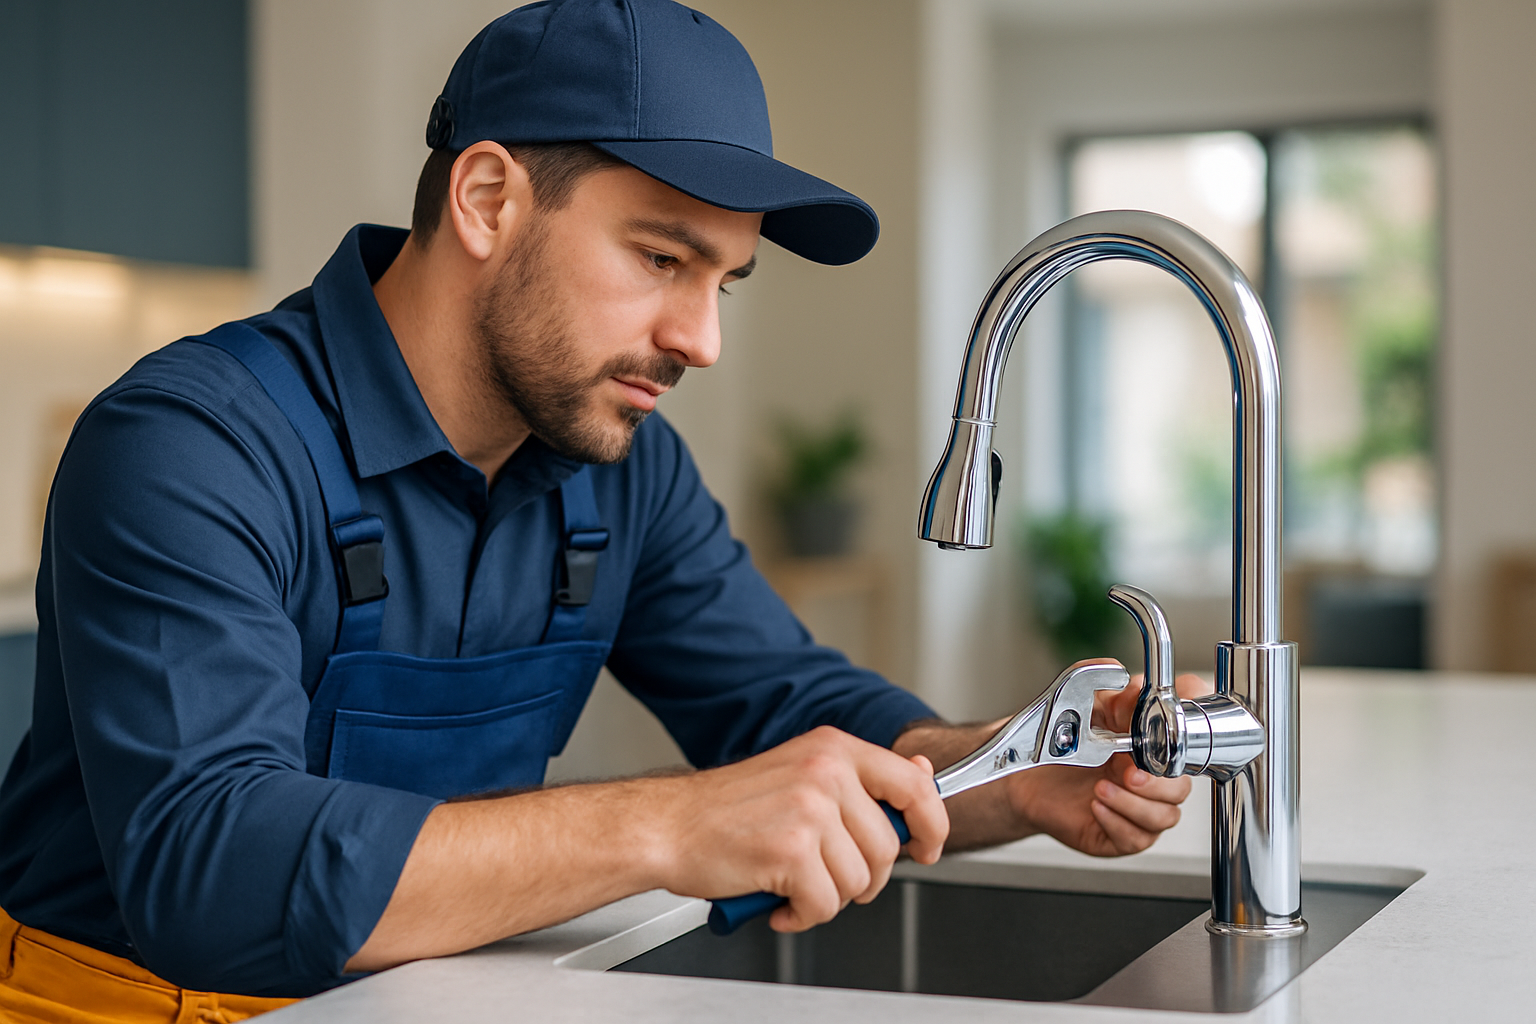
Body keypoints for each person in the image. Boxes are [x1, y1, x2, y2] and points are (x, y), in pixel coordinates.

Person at [0, 1, 1203, 1019]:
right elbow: (214, 873)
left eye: (725, 279)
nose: (704, 339)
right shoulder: (192, 443)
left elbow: (793, 707)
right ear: (485, 198)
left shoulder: (623, 475)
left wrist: (1016, 772)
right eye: (661, 259)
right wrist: (668, 825)